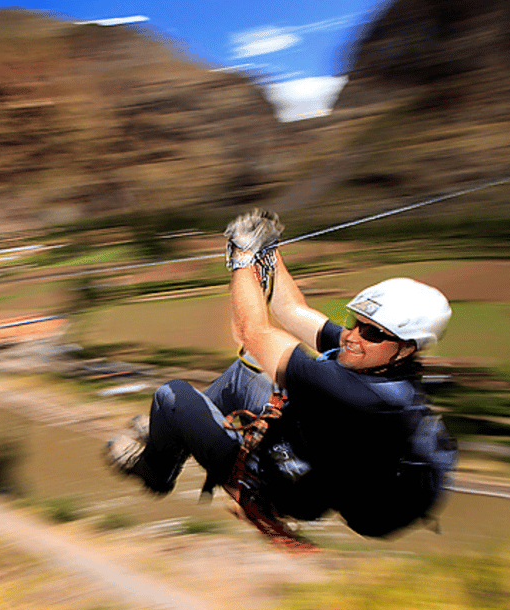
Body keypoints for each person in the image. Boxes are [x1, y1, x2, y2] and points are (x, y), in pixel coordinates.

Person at [104, 210, 457, 545]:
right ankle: (176, 434)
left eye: (373, 333)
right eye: (356, 322)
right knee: (242, 376)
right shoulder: (375, 359)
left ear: (408, 348)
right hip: (300, 452)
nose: (353, 336)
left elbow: (251, 333)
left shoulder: (368, 398)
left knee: (172, 396)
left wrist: (243, 258)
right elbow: (290, 311)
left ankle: (156, 472)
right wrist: (270, 252)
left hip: (283, 482)